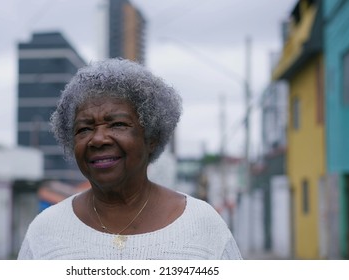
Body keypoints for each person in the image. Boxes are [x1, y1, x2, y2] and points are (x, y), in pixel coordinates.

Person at [17, 58, 242, 260]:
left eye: (117, 124)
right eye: (84, 129)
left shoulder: (202, 226)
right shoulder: (45, 232)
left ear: (151, 137)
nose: (98, 139)